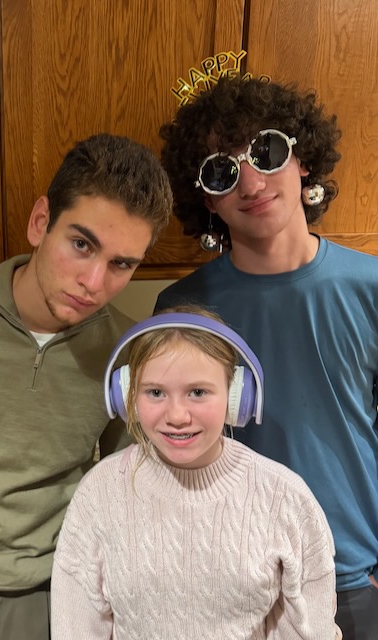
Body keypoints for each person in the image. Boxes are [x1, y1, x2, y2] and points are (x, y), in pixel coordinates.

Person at [0, 133, 172, 640]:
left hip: (61, 588)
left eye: (122, 264)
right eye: (81, 245)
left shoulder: (130, 353)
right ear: (40, 223)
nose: (94, 282)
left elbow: (127, 487)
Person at [154, 75, 378, 638]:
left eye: (266, 151)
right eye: (221, 171)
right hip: (230, 582)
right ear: (207, 199)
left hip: (356, 578)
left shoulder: (371, 288)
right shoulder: (181, 309)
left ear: (303, 159)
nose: (251, 182)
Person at [51, 307, 341, 639]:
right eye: (155, 392)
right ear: (128, 396)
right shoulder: (99, 494)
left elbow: (309, 630)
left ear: (236, 396)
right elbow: (75, 627)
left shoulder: (285, 498)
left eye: (198, 392)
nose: (177, 416)